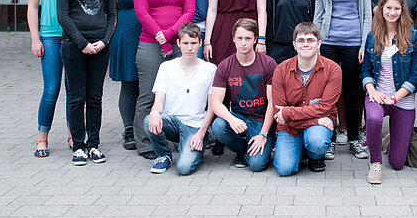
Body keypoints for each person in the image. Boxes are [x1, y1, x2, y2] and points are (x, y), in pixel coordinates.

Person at [56, 0, 116, 165]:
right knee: (76, 97)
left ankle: (94, 145)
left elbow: (112, 15)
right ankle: (79, 146)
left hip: (100, 47)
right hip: (73, 46)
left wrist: (104, 41)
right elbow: (63, 15)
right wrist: (82, 43)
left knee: (95, 97)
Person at [133, 0, 195, 159]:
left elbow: (189, 13)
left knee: (178, 94)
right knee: (148, 94)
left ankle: (177, 138)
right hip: (150, 44)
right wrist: (161, 37)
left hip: (178, 45)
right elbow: (142, 13)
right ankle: (145, 143)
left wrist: (169, 34)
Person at [313, 0, 372, 159]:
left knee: (351, 91)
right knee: (328, 92)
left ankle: (354, 138)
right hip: (328, 42)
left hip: (353, 43)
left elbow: (366, 15)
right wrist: (317, 43)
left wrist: (364, 44)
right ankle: (328, 139)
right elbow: (318, 14)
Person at [361, 0, 417, 184]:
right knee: (373, 118)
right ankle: (375, 163)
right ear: (381, 9)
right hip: (378, 94)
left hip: (402, 98)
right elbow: (366, 70)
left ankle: (389, 141)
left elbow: (416, 76)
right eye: (388, 8)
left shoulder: (413, 37)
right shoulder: (372, 36)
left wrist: (395, 97)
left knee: (397, 163)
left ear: (402, 10)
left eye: (397, 8)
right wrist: (372, 90)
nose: (392, 12)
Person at [143, 22, 217, 175]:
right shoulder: (166, 67)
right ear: (178, 43)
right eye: (185, 43)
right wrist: (154, 113)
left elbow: (212, 107)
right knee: (148, 119)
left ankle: (194, 147)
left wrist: (202, 133)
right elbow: (158, 102)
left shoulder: (210, 69)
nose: (189, 48)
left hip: (195, 126)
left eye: (193, 43)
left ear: (200, 43)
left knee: (184, 168)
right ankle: (163, 155)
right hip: (172, 122)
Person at [272, 22, 342, 176]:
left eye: (310, 40)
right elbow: (278, 113)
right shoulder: (281, 70)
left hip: (316, 125)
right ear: (294, 45)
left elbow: (325, 108)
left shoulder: (333, 70)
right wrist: (315, 121)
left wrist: (288, 113)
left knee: (316, 141)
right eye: (301, 40)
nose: (305, 44)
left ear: (319, 44)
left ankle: (315, 155)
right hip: (292, 126)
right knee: (285, 169)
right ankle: (301, 147)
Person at [28, 0, 74, 157]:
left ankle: (73, 134)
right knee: (51, 89)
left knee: (73, 89)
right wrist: (35, 39)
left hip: (73, 36)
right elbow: (31, 7)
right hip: (50, 36)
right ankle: (42, 138)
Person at [210, 19, 278, 171]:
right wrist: (231, 119)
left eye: (248, 38)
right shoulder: (225, 66)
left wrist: (263, 134)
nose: (243, 43)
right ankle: (242, 150)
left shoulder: (268, 64)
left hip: (261, 121)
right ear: (233, 39)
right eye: (239, 38)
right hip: (238, 117)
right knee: (218, 126)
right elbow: (215, 102)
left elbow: (272, 102)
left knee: (257, 165)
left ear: (255, 39)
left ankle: (262, 143)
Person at [109, 0, 153, 151]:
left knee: (151, 84)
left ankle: (147, 127)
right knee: (129, 82)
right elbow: (111, 10)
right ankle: (129, 129)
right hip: (126, 34)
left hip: (152, 33)